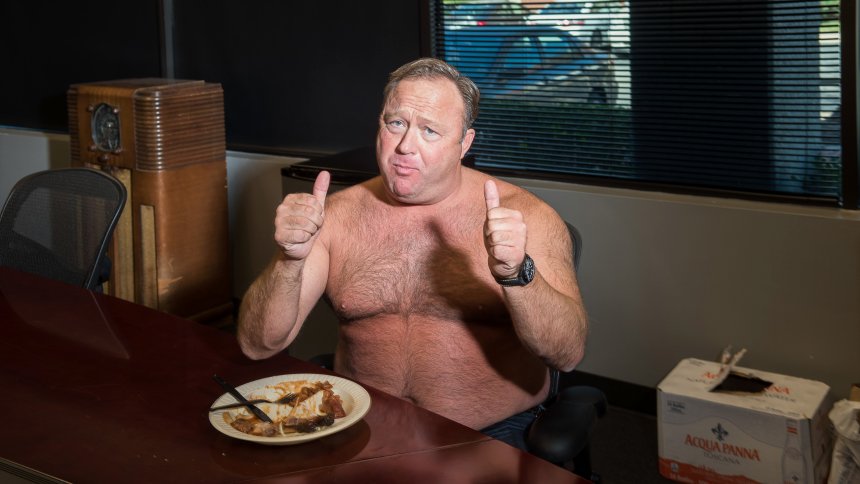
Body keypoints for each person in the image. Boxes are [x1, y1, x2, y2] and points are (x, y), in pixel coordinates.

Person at [238, 57, 588, 450]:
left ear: (464, 143)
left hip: (488, 436)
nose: (406, 146)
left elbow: (566, 354)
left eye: (430, 131)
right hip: (361, 427)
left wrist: (516, 273)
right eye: (396, 123)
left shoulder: (528, 217)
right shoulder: (335, 217)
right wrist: (290, 260)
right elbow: (258, 345)